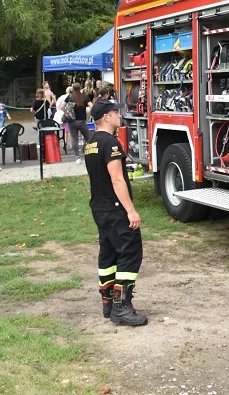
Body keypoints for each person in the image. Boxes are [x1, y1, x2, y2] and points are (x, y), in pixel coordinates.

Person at [85, 98, 147, 326]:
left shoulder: (91, 142)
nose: (120, 115)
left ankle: (108, 302)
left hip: (99, 208)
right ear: (105, 117)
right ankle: (122, 307)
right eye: (115, 112)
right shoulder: (110, 143)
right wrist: (130, 211)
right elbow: (117, 178)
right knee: (130, 252)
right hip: (115, 208)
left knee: (108, 254)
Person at [69, 83, 90, 163]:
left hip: (72, 121)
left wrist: (69, 113)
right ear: (80, 87)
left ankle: (77, 157)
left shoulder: (70, 97)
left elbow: (62, 107)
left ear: (73, 89)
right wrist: (88, 114)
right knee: (88, 138)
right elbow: (91, 106)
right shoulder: (84, 96)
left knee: (75, 139)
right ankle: (89, 154)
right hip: (82, 121)